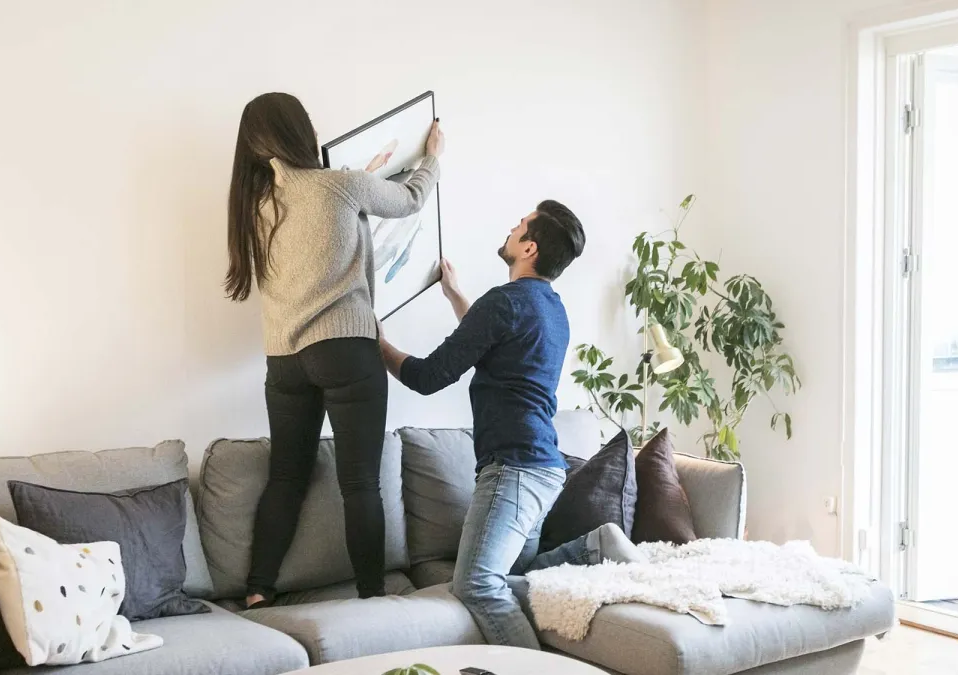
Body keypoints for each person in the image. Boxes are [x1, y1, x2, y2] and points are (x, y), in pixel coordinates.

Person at [378, 202, 646, 649]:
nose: (510, 228)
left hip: (514, 469)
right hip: (544, 469)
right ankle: (594, 548)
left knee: (477, 585)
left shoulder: (503, 303)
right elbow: (491, 339)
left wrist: (377, 344)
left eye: (518, 225)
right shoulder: (551, 309)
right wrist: (454, 294)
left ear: (529, 246)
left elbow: (427, 377)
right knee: (516, 578)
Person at [225, 92, 444, 608]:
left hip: (283, 360)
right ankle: (372, 598)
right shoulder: (338, 186)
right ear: (301, 131)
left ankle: (258, 589)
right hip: (344, 349)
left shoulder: (254, 210)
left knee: (286, 477)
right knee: (360, 483)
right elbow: (410, 198)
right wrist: (432, 155)